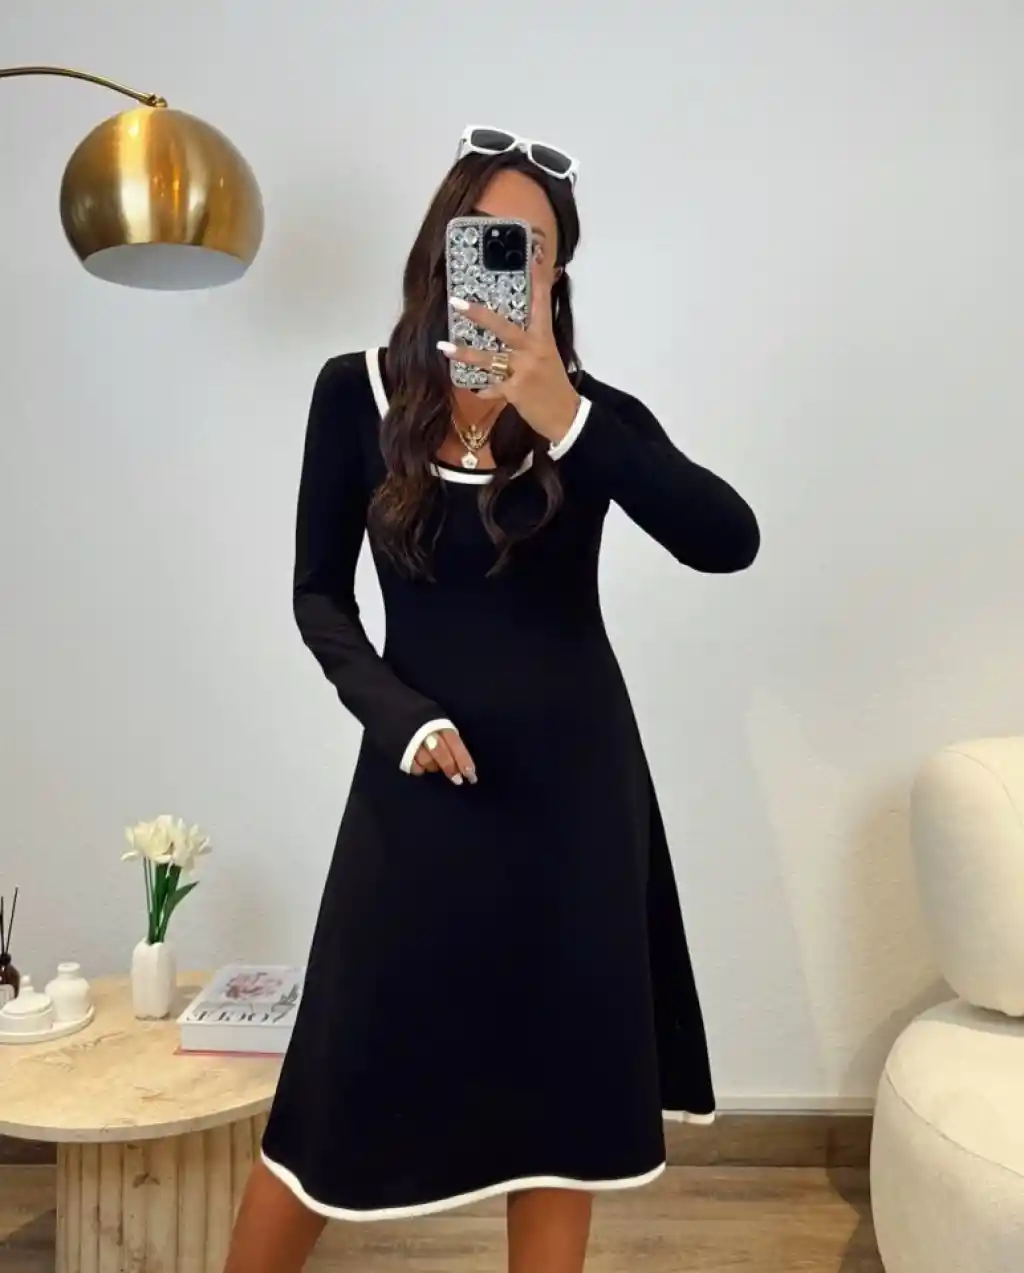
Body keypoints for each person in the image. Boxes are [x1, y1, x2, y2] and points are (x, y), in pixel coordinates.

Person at [224, 126, 760, 1273]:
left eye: (536, 246)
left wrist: (567, 416)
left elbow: (729, 539)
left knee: (560, 1107)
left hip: (577, 805)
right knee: (332, 1086)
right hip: (416, 789)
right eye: (489, 237)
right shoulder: (353, 395)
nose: (512, 260)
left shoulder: (592, 417)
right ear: (444, 245)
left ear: (556, 274)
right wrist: (400, 716)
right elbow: (319, 595)